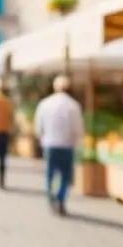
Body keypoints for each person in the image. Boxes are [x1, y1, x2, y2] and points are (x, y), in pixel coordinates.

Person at [34, 75, 85, 216]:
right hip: (67, 145)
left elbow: (38, 125)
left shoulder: (45, 104)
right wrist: (78, 141)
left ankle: (50, 194)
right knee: (65, 175)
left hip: (50, 144)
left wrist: (41, 138)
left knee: (50, 173)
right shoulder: (73, 105)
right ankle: (61, 198)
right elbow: (78, 128)